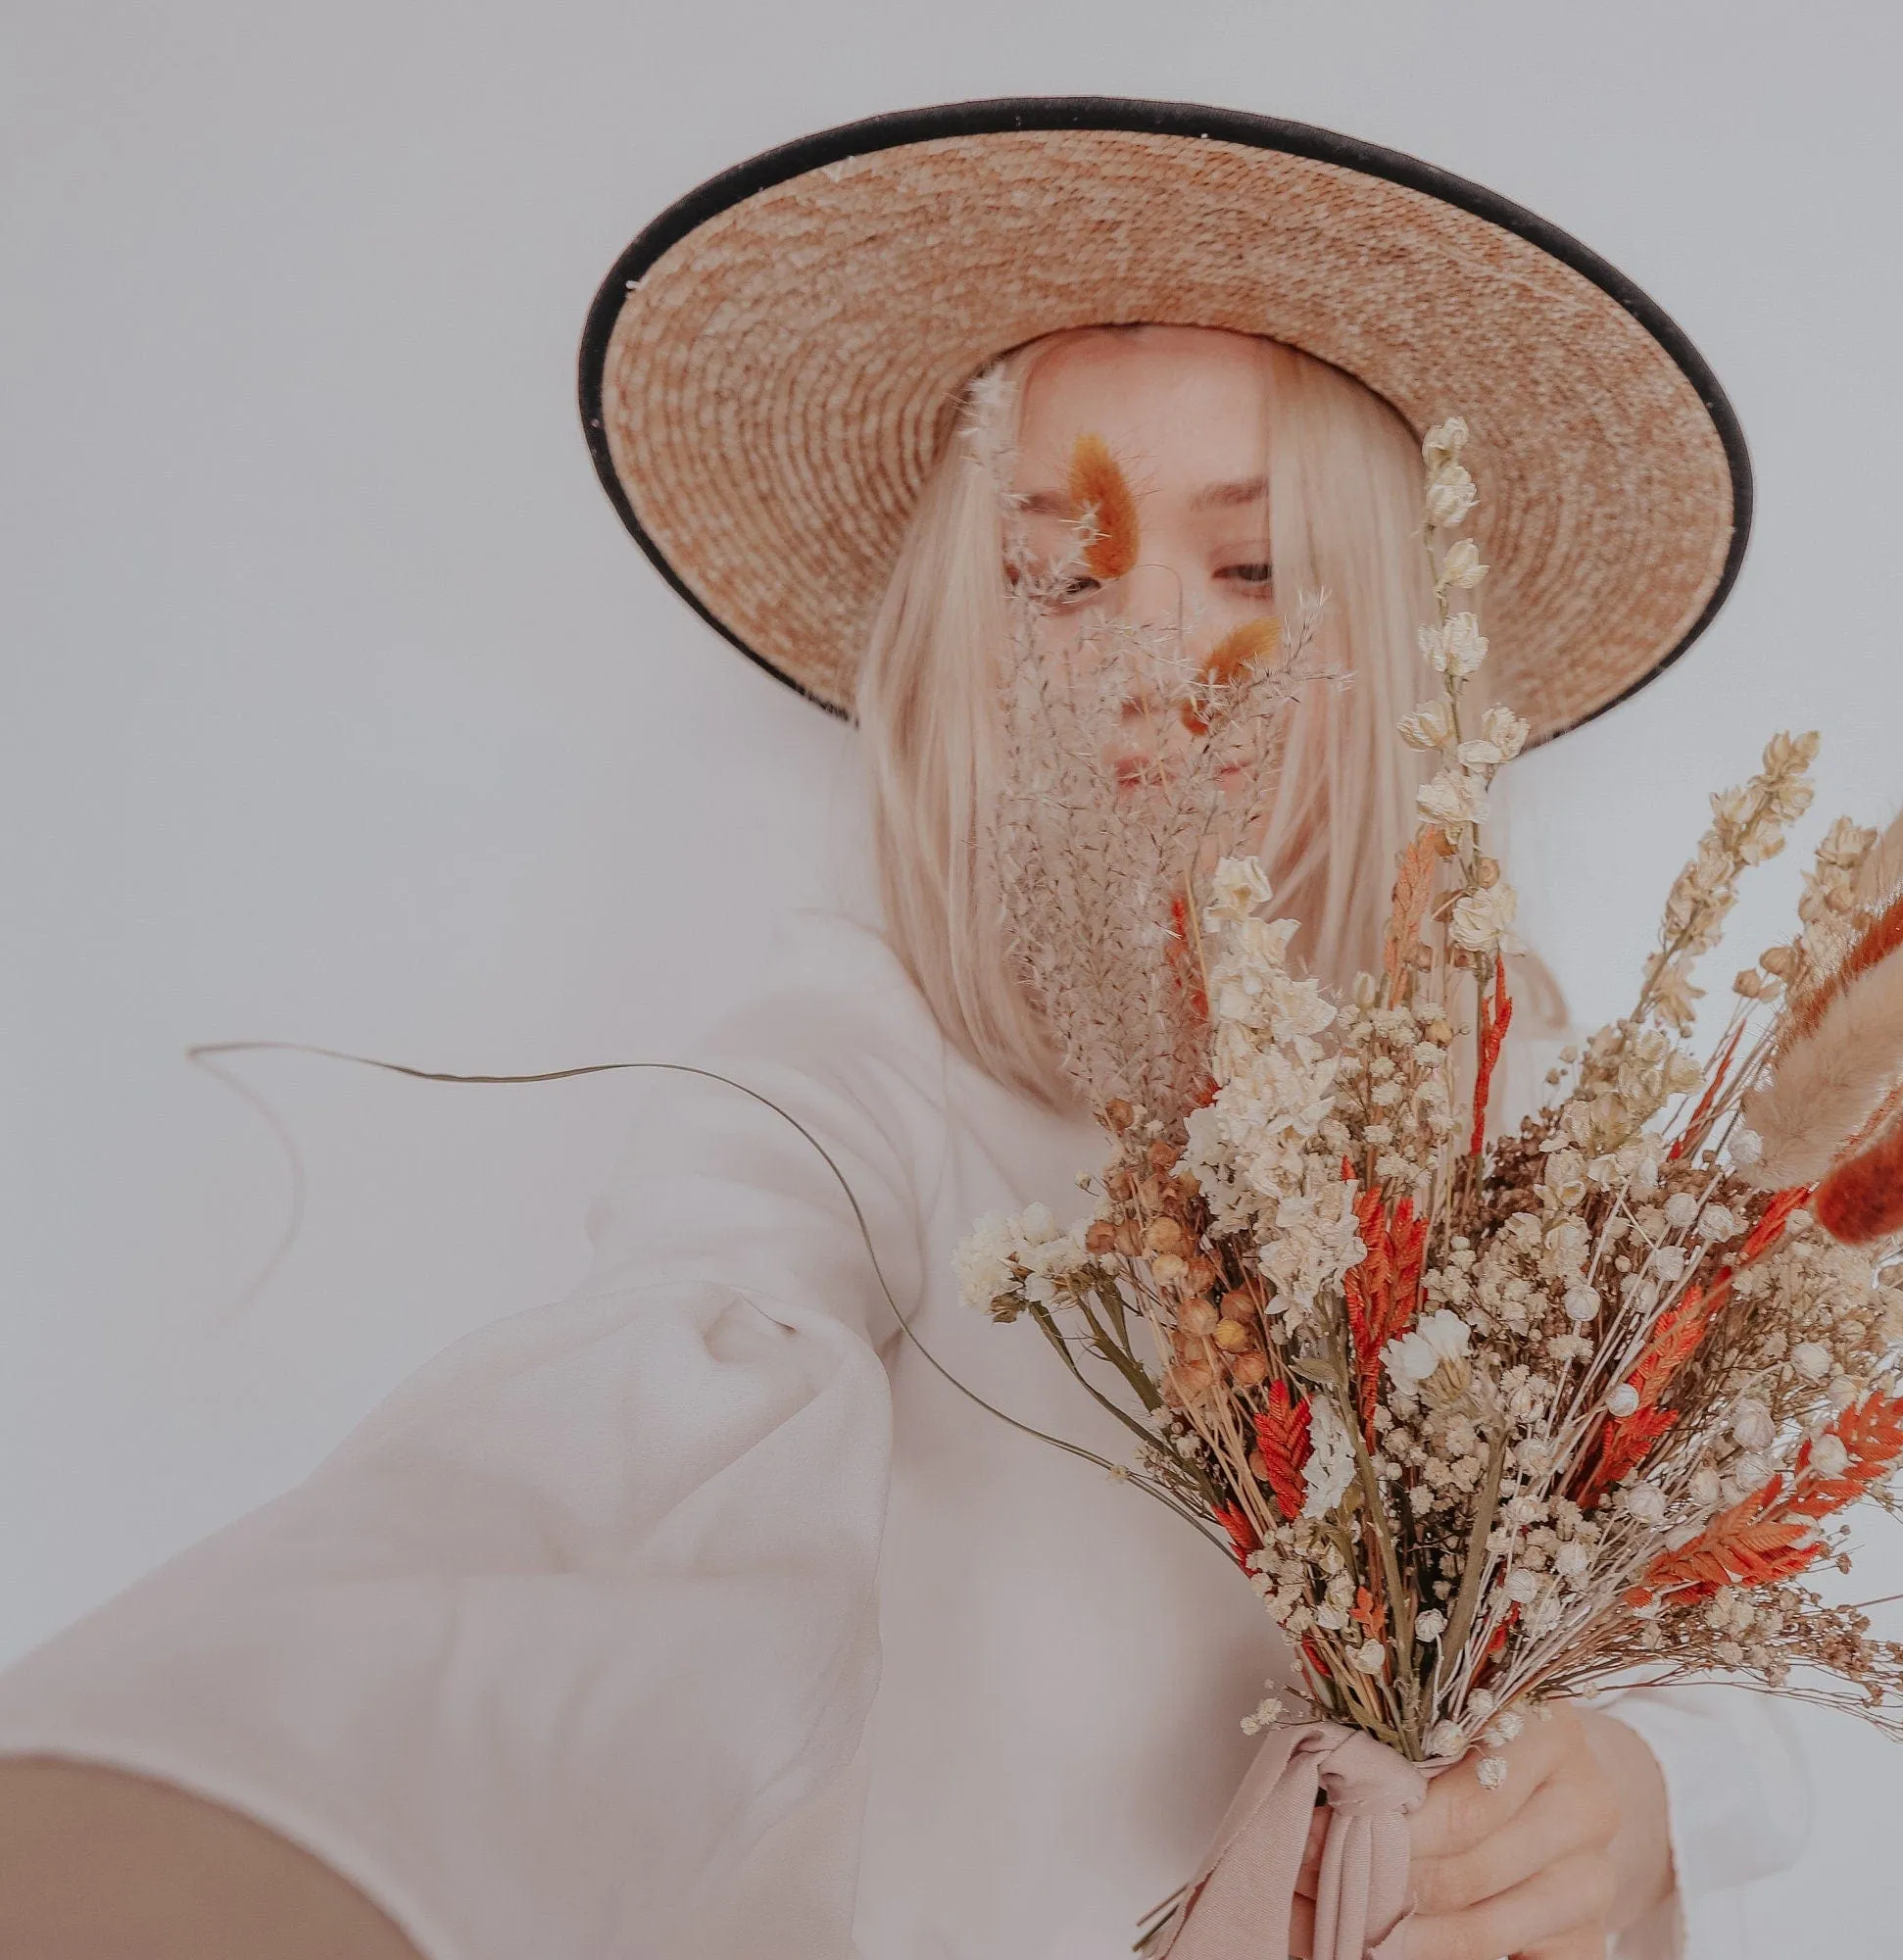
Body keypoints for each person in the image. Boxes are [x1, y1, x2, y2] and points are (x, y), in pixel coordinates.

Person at [0, 102, 1805, 1959]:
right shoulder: (867, 1067)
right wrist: (218, 1798)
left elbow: (1718, 1609)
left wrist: (1653, 1786)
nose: (1152, 658)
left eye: (1256, 570)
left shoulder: (1543, 1133)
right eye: (1064, 570)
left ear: (1396, 626)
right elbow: (649, 1418)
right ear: (982, 620)